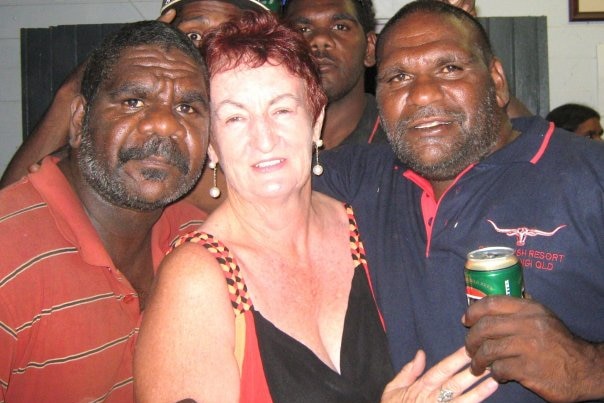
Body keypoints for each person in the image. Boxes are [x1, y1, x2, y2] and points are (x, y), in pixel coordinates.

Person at [134, 11, 498, 403]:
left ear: (316, 119)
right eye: (235, 117)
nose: (264, 138)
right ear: (210, 143)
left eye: (282, 110)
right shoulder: (197, 280)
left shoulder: (364, 226)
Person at [313, 1, 604, 402]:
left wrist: (587, 369)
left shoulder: (590, 177)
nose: (422, 94)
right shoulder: (360, 177)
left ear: (498, 81)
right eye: (397, 77)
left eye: (449, 68)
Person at [0, 20, 210, 402]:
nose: (165, 124)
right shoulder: (7, 259)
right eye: (133, 101)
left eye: (187, 106)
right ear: (79, 121)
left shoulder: (200, 239)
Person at [0, 0, 269, 216]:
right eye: (194, 35)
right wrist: (85, 79)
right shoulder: (129, 140)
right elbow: (11, 212)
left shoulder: (273, 132)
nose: (208, 52)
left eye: (230, 39)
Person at [282, 0, 388, 149]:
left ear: (369, 49)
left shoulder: (401, 143)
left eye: (340, 27)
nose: (320, 40)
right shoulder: (263, 141)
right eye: (303, 29)